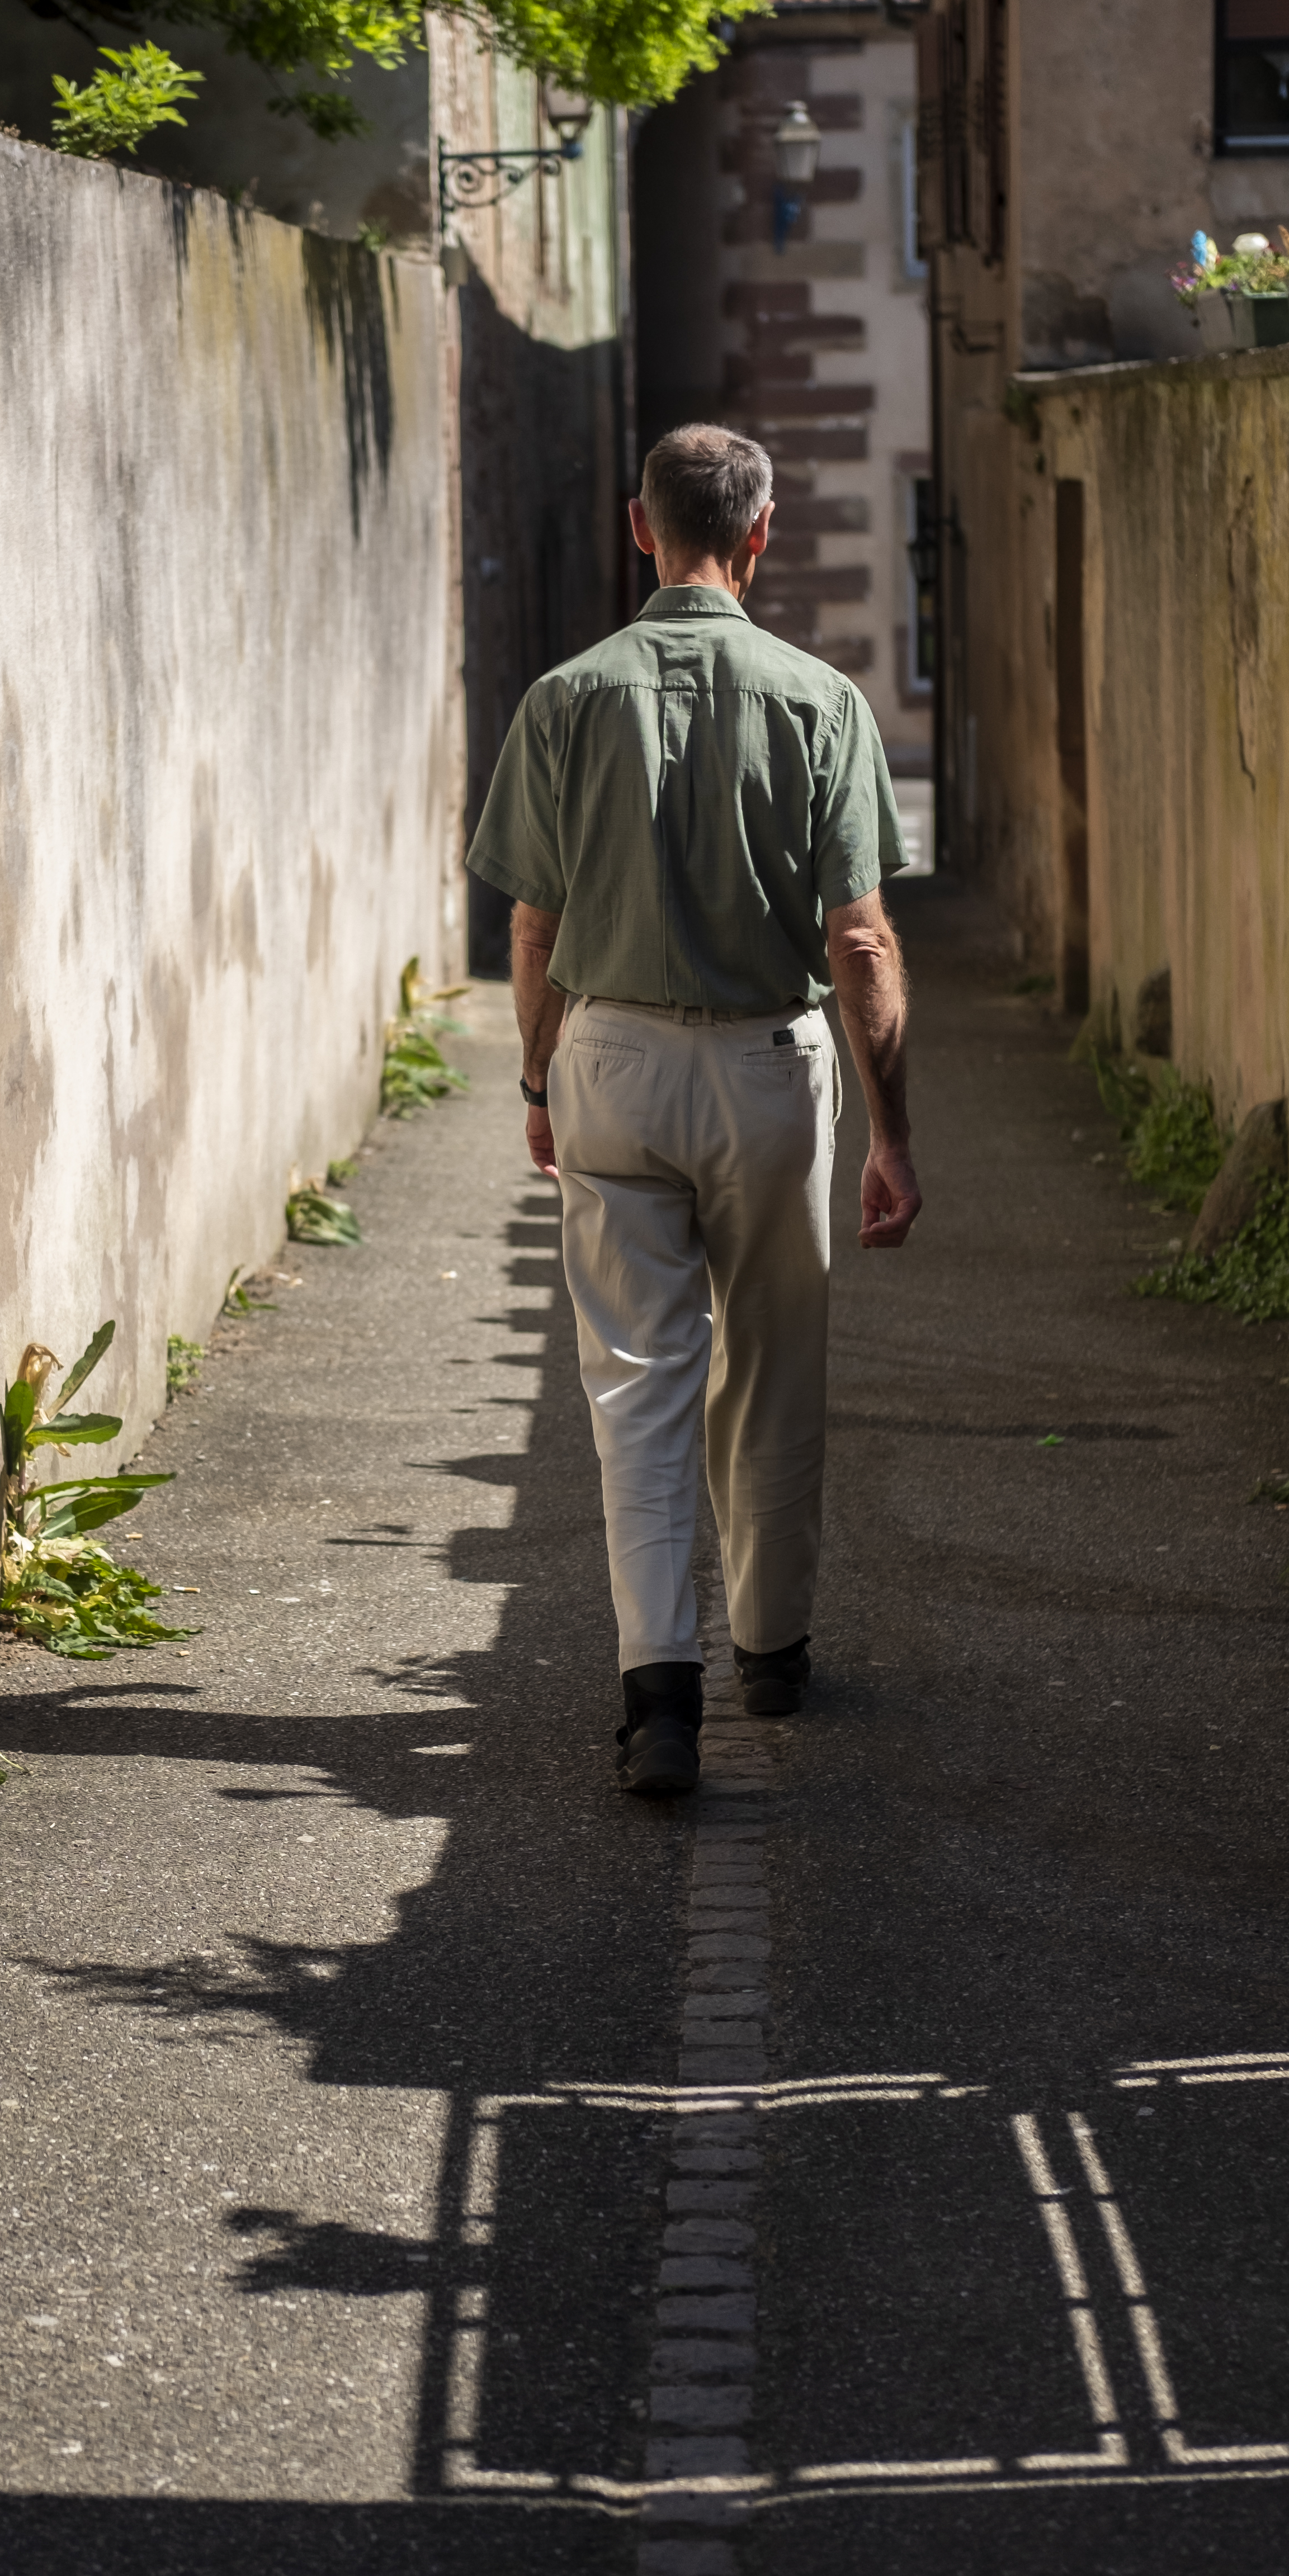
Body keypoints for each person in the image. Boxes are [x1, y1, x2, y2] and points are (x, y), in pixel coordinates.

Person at [465, 422, 922, 1796]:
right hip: (766, 1073)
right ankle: (769, 1652)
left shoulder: (563, 699)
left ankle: (657, 1695)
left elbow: (533, 931)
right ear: (763, 531)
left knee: (635, 1380)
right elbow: (860, 947)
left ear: (635, 525)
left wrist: (542, 1079)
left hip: (608, 1056)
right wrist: (889, 1128)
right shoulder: (817, 700)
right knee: (772, 1360)